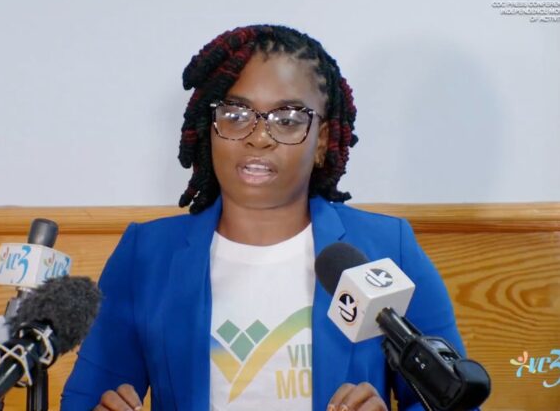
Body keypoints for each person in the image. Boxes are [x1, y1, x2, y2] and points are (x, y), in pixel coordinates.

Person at [61, 25, 466, 411]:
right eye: (237, 114)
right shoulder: (146, 255)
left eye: (287, 119)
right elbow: (87, 399)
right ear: (210, 127)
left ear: (322, 140)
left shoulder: (386, 249)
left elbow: (454, 401)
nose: (258, 137)